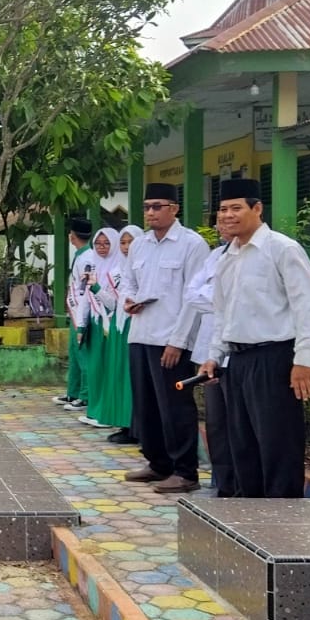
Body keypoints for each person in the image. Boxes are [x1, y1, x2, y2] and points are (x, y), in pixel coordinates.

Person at [198, 179, 310, 498]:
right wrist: (213, 355)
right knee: (243, 448)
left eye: (236, 208)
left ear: (257, 208)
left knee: (278, 447)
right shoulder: (226, 257)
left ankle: (284, 526)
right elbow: (222, 313)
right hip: (238, 363)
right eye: (222, 209)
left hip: (275, 361)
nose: (227, 216)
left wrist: (305, 362)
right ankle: (253, 521)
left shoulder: (282, 249)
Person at [123, 187, 212, 492]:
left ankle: (185, 471)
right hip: (140, 334)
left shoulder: (191, 245)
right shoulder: (139, 246)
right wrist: (129, 299)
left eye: (157, 207)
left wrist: (178, 341)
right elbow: (128, 281)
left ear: (174, 208)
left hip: (171, 339)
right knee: (146, 405)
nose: (150, 212)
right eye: (146, 207)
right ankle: (158, 463)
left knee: (175, 405)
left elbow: (194, 297)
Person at [182, 232, 235, 495]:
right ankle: (222, 483)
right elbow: (191, 294)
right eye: (221, 215)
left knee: (239, 423)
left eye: (233, 211)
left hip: (241, 352)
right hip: (211, 351)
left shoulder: (270, 252)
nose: (226, 221)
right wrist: (216, 297)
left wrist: (213, 296)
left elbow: (233, 299)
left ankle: (241, 486)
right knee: (216, 422)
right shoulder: (215, 256)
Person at [81, 229, 133, 433]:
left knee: (124, 375)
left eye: (130, 242)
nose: (126, 247)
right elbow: (112, 302)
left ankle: (128, 422)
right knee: (111, 373)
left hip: (128, 326)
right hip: (114, 324)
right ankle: (111, 416)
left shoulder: (132, 268)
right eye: (123, 242)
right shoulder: (108, 269)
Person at [58, 220, 96, 411]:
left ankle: (86, 395)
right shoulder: (80, 255)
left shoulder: (87, 257)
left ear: (72, 235)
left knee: (82, 354)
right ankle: (73, 391)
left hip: (82, 311)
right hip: (75, 311)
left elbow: (84, 290)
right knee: (74, 353)